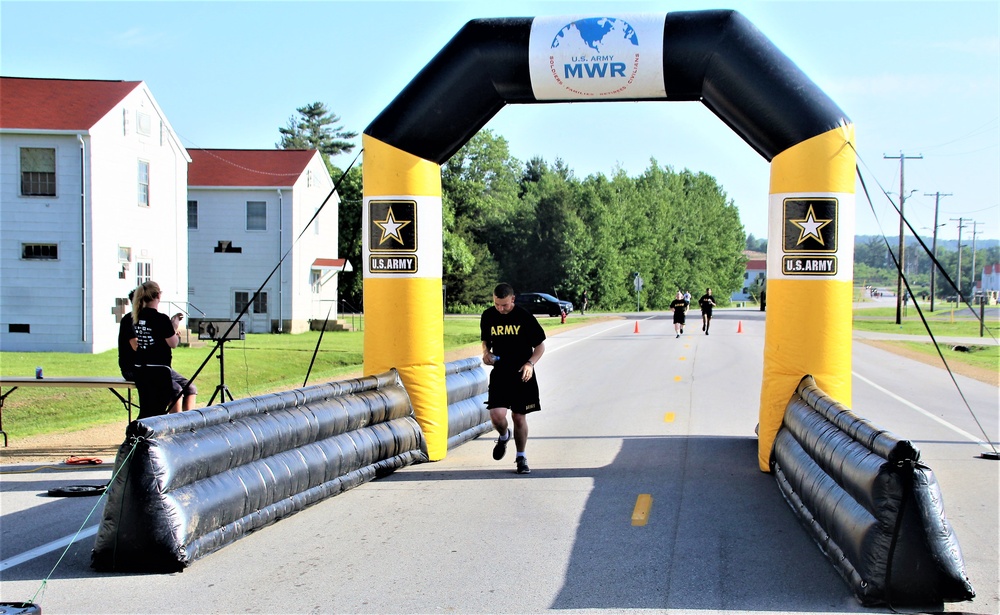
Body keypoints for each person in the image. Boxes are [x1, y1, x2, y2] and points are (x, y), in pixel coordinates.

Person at [481, 283, 546, 475]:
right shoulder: (488, 316)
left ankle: (521, 457)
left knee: (518, 416)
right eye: (496, 304)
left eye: (504, 305)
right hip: (500, 373)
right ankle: (503, 436)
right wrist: (486, 352)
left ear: (513, 299)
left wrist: (530, 364)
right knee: (497, 416)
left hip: (521, 374)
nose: (500, 309)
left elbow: (540, 346)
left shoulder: (524, 317)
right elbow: (486, 340)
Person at [130, 281, 197, 414]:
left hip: (141, 369)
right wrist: (174, 326)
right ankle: (175, 426)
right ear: (158, 296)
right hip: (159, 370)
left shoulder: (136, 317)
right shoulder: (161, 319)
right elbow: (173, 343)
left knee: (148, 409)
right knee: (158, 410)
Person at [117, 289, 136, 381]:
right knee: (176, 389)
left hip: (148, 367)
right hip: (132, 370)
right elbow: (136, 346)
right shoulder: (129, 320)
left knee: (186, 385)